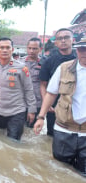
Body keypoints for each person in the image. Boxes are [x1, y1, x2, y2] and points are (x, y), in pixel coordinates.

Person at [34, 36, 86, 177]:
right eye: (81, 49)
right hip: (64, 129)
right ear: (77, 50)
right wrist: (41, 117)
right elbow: (51, 94)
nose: (84, 52)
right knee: (59, 170)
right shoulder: (64, 68)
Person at [0, 37, 36, 140]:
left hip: (16, 112)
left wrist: (32, 110)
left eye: (7, 47)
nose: (4, 50)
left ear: (12, 50)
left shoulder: (22, 67)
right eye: (2, 47)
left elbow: (29, 89)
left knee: (13, 142)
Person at [39, 28, 77, 136]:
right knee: (52, 134)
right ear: (56, 43)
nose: (63, 40)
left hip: (76, 102)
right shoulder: (49, 61)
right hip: (54, 104)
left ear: (72, 40)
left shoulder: (80, 58)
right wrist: (46, 104)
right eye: (60, 38)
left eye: (66, 37)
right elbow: (43, 84)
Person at [19, 37, 42, 128]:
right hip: (21, 102)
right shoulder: (19, 63)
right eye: (29, 48)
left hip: (37, 102)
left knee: (32, 129)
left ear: (40, 49)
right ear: (27, 48)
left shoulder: (45, 63)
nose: (31, 51)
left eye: (35, 48)